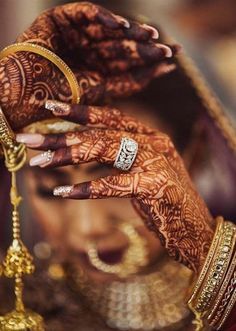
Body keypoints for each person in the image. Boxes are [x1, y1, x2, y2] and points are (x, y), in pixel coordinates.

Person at [0, 2, 235, 331]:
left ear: (192, 156)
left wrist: (209, 257)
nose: (87, 228)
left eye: (119, 180)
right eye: (49, 190)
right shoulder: (17, 308)